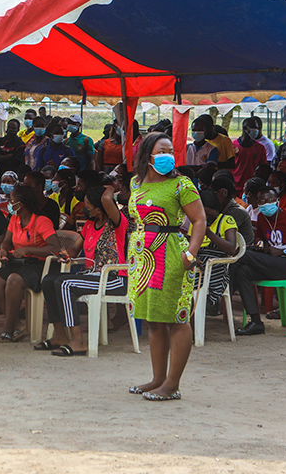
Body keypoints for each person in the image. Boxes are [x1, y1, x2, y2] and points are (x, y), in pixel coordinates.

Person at [127, 131, 206, 401]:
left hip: (171, 253)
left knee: (176, 318)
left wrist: (191, 255)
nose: (167, 156)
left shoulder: (181, 185)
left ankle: (172, 384)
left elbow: (199, 221)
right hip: (142, 257)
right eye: (161, 151)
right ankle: (157, 378)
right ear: (147, 155)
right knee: (153, 319)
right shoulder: (136, 184)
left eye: (170, 151)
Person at [36, 184, 128, 356]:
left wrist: (111, 185)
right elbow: (75, 249)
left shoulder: (117, 223)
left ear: (100, 209)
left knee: (65, 284)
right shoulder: (89, 225)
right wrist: (67, 254)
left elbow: (108, 199)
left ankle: (78, 341)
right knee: (49, 280)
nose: (85, 210)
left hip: (113, 278)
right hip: (92, 276)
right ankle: (60, 335)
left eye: (88, 207)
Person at [230, 187, 286, 335]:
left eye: (270, 201)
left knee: (241, 255)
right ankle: (255, 322)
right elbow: (266, 241)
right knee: (243, 271)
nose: (266, 204)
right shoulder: (262, 218)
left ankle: (220, 296)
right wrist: (263, 249)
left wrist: (285, 251)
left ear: (278, 202)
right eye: (262, 201)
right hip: (273, 263)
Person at [0, 185, 63, 343]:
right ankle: (17, 324)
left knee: (13, 280)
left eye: (12, 200)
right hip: (19, 263)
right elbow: (7, 242)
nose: (9, 203)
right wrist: (3, 251)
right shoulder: (14, 219)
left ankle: (7, 328)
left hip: (39, 265)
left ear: (20, 204)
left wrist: (28, 249)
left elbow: (55, 248)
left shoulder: (42, 221)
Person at [191, 188, 239, 315]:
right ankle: (188, 300)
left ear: (216, 209)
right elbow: (190, 245)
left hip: (217, 263)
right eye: (203, 213)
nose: (205, 217)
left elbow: (231, 248)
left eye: (209, 213)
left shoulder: (226, 221)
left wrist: (208, 232)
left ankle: (208, 300)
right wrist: (193, 257)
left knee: (206, 263)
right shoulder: (196, 221)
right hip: (199, 260)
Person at [232, 117, 267, 192]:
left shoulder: (260, 148)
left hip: (252, 188)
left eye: (257, 128)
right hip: (235, 187)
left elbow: (263, 168)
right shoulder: (232, 146)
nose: (256, 131)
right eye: (254, 128)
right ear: (245, 128)